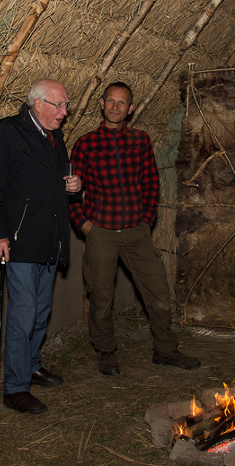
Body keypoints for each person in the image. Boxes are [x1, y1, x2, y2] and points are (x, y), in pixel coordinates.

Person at [69, 82, 200, 376]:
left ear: (130, 108)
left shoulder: (140, 141)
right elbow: (71, 190)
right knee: (101, 298)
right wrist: (85, 225)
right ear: (102, 103)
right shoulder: (85, 144)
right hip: (101, 232)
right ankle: (106, 353)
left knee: (157, 292)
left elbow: (151, 183)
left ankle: (166, 350)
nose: (116, 107)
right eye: (111, 101)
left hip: (137, 233)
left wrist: (146, 219)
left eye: (122, 103)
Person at [0, 78, 81, 414]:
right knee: (23, 314)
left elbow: (54, 186)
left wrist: (73, 187)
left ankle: (31, 365)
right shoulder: (8, 131)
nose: (65, 112)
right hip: (19, 241)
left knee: (40, 311)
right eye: (60, 105)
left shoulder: (56, 138)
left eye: (66, 106)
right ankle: (15, 388)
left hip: (49, 239)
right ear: (38, 104)